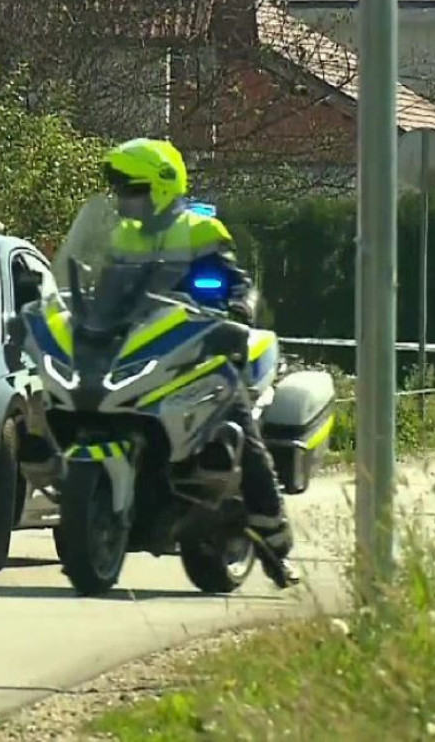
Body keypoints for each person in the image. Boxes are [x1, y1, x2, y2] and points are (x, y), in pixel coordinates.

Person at [100, 137, 300, 588]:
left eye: (132, 188)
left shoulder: (200, 230)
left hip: (197, 346)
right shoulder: (122, 237)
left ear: (162, 187)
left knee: (236, 421)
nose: (123, 200)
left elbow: (236, 283)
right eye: (119, 190)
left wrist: (238, 308)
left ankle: (273, 530)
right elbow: (105, 290)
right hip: (138, 349)